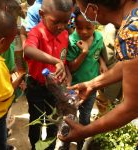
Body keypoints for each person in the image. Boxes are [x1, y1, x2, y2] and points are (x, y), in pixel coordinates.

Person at [59, 0, 138, 143]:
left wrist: (84, 131)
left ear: (91, 9)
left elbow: (132, 107)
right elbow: (131, 65)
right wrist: (92, 84)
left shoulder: (131, 32)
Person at [23, 0, 73, 149]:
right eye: (56, 21)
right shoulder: (36, 33)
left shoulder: (64, 34)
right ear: (42, 15)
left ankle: (50, 147)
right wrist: (55, 61)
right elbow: (28, 50)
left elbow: (63, 60)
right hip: (37, 87)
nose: (61, 26)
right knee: (37, 122)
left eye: (66, 21)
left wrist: (67, 73)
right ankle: (36, 147)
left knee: (53, 121)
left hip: (55, 88)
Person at [66, 7, 107, 149]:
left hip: (92, 87)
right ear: (74, 26)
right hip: (74, 89)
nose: (84, 31)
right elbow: (71, 67)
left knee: (85, 118)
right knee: (69, 118)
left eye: (88, 28)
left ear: (95, 25)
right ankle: (65, 144)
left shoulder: (99, 37)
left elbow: (97, 54)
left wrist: (102, 63)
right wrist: (83, 52)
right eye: (79, 27)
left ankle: (80, 145)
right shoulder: (71, 41)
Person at [0, 9, 24, 150]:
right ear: (2, 42)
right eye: (10, 43)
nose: (10, 46)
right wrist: (19, 77)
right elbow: (4, 95)